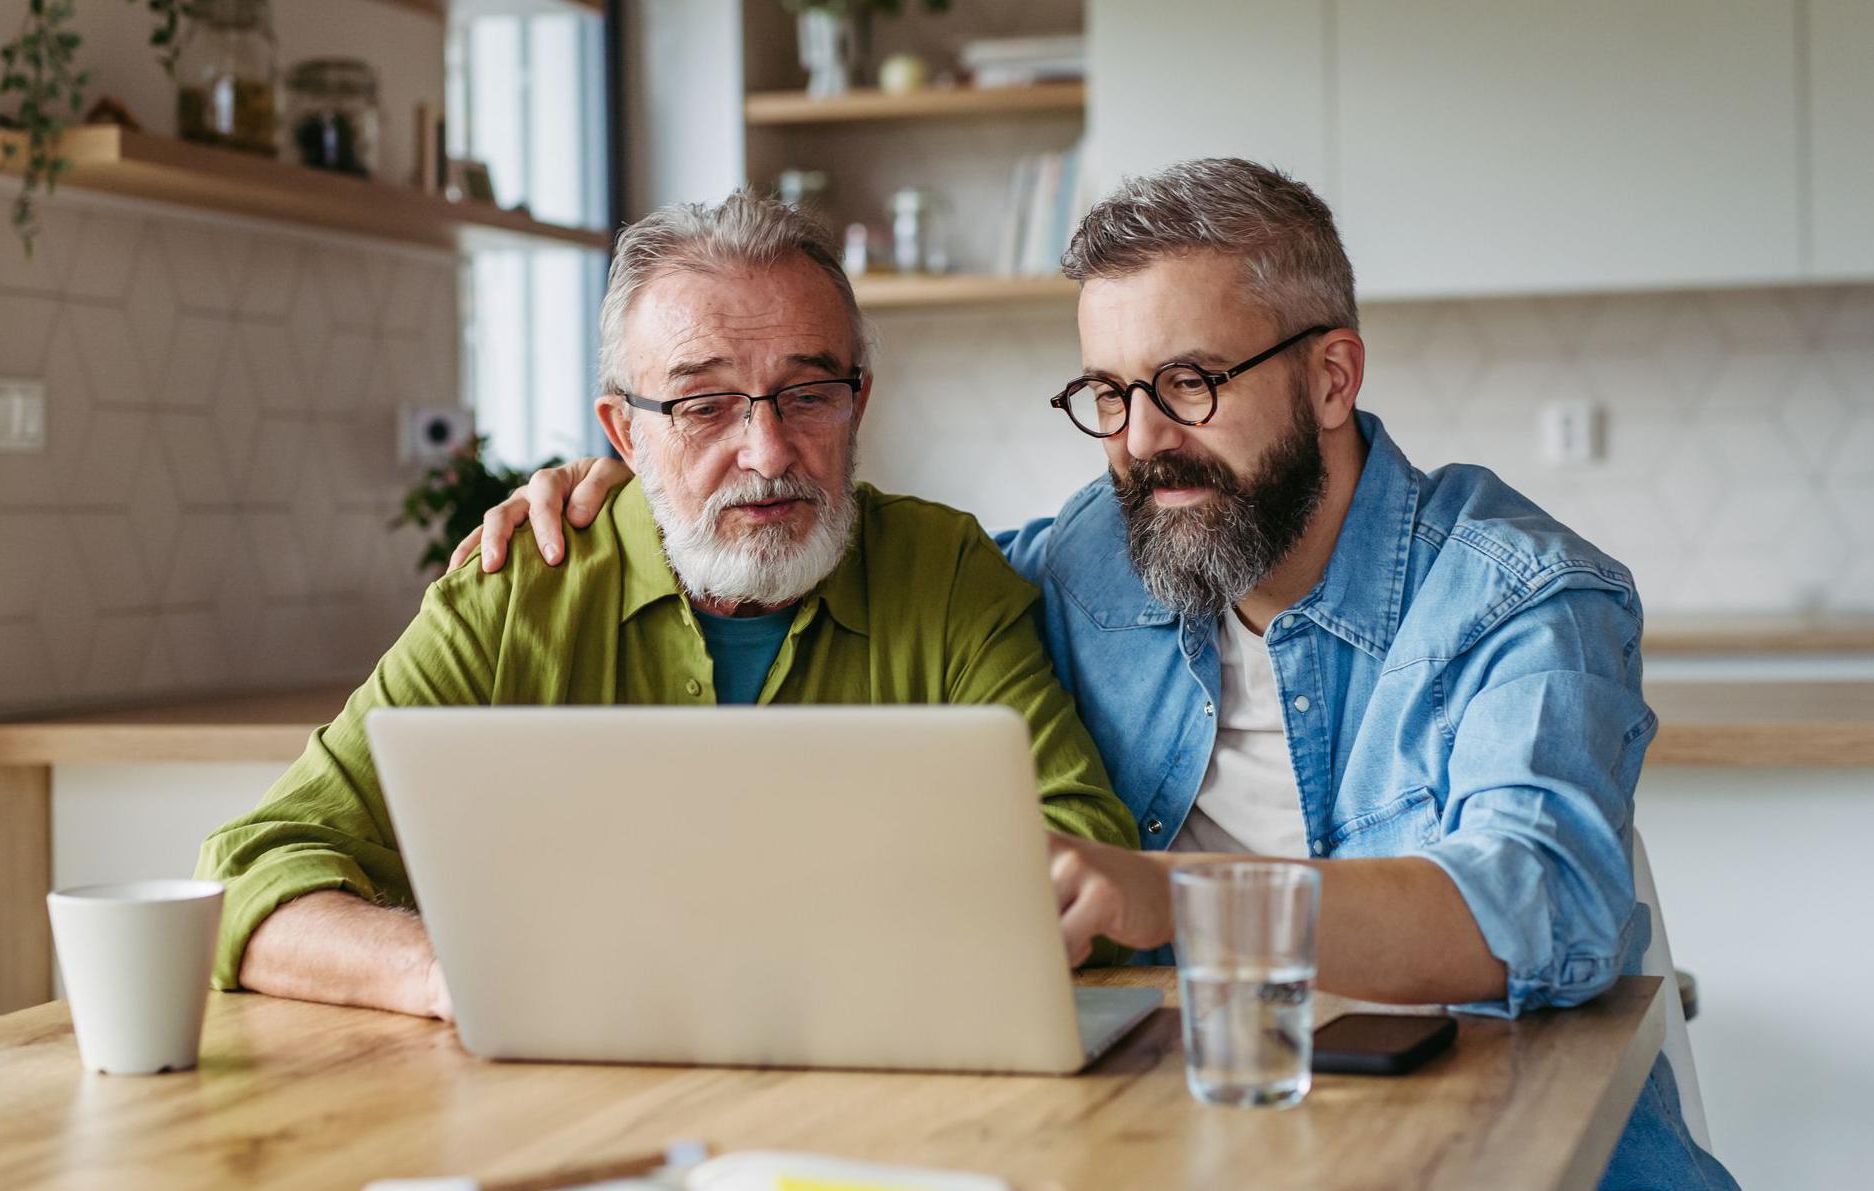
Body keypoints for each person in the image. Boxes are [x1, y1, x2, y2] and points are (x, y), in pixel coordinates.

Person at [457, 160, 1736, 1188]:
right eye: (1108, 396)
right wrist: (652, 480)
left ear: (1333, 375)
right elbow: (860, 563)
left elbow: (1537, 909)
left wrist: (1164, 896)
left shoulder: (1523, 595)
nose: (1142, 445)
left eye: (1189, 385)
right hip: (1185, 1144)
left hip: (1520, 1153)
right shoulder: (1098, 554)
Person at [194, 191, 1137, 1021]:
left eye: (807, 395)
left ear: (860, 403)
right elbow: (249, 868)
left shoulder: (944, 572)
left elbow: (1086, 849)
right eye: (703, 406)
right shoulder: (524, 584)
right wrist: (451, 974)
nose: (767, 452)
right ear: (624, 431)